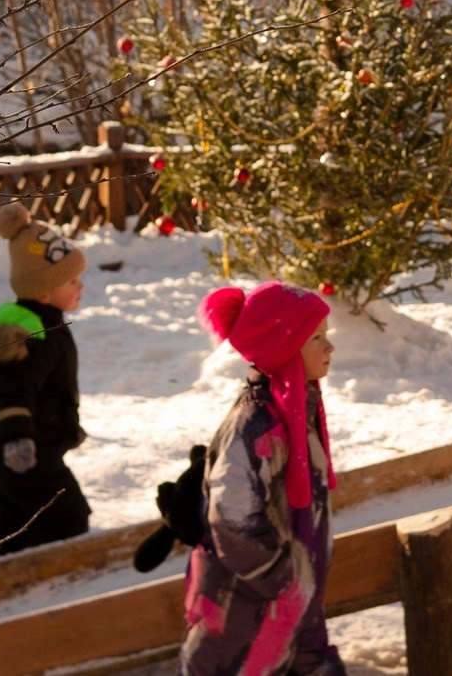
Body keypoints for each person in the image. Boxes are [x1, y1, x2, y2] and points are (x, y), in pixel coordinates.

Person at [180, 282, 345, 676]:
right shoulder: (257, 427)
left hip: (289, 611)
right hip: (246, 613)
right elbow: (233, 519)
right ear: (284, 348)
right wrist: (284, 579)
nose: (330, 347)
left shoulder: (295, 411)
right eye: (317, 338)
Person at [0, 203, 90, 562]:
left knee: (19, 516)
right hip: (20, 449)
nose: (80, 286)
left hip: (17, 444)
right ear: (43, 293)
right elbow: (14, 389)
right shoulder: (33, 335)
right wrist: (18, 439)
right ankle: (38, 575)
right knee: (67, 514)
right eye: (71, 281)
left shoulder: (41, 325)